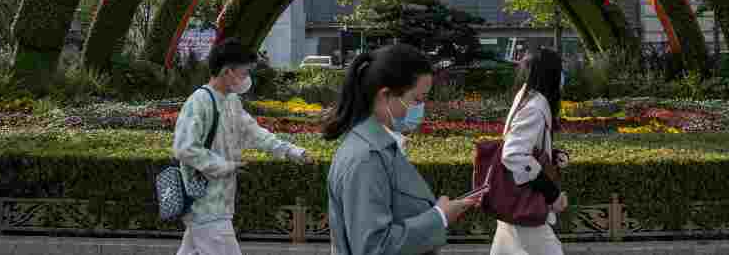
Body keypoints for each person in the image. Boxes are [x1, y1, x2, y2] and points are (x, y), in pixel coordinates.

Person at [324, 44, 480, 255]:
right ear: (385, 95)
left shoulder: (379, 147)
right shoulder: (366, 157)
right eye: (417, 99)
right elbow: (374, 247)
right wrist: (439, 217)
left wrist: (440, 212)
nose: (421, 108)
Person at [173, 37, 313, 255]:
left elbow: (254, 133)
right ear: (228, 72)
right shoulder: (199, 101)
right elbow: (185, 148)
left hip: (216, 205)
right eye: (245, 72)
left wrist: (291, 151)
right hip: (207, 206)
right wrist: (225, 166)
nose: (247, 78)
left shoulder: (230, 101)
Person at [491, 47, 569, 255]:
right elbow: (514, 154)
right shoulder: (535, 106)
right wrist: (552, 194)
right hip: (524, 203)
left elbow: (523, 144)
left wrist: (552, 153)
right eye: (560, 71)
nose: (562, 77)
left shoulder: (526, 97)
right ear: (550, 74)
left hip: (514, 201)